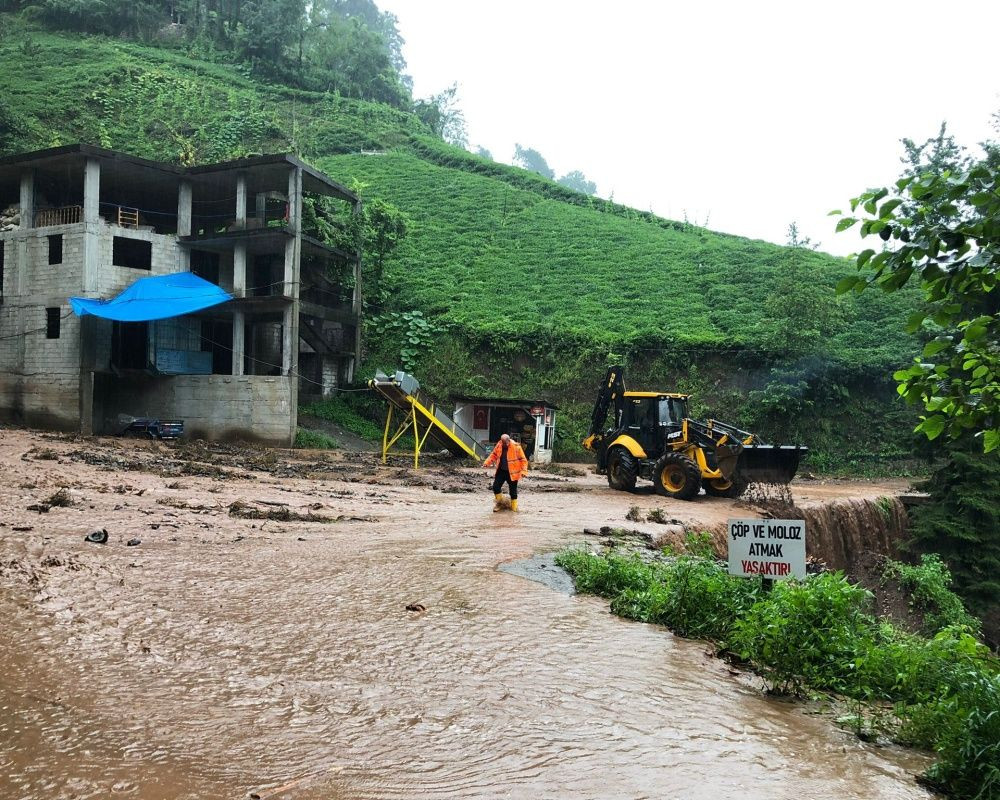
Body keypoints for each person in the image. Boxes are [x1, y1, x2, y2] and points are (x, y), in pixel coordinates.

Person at [483, 433, 528, 512]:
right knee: (496, 487)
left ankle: (514, 509)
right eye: (502, 442)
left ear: (508, 441)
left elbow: (523, 460)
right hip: (501, 471)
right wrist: (487, 463)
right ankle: (500, 504)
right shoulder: (499, 444)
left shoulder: (516, 447)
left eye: (505, 443)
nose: (504, 445)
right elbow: (493, 454)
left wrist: (524, 471)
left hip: (512, 473)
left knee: (513, 492)